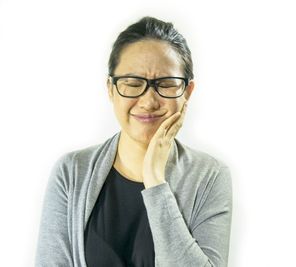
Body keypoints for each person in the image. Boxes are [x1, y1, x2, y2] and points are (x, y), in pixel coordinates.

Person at [35, 16, 233, 267]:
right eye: (132, 84)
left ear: (187, 92)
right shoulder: (72, 172)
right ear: (110, 88)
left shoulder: (209, 176)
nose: (148, 101)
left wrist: (154, 181)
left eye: (166, 85)